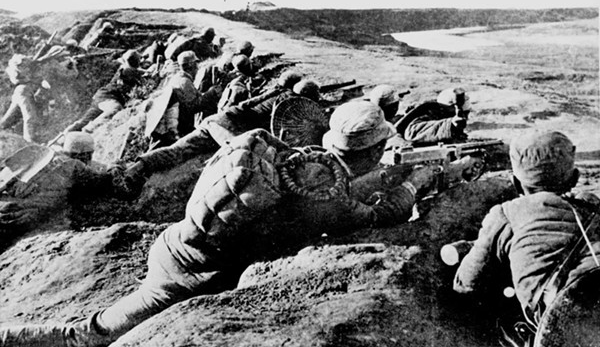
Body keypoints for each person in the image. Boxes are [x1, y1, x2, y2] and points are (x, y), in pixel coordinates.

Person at [0, 101, 441, 346]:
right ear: (375, 151)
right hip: (188, 277)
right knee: (87, 336)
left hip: (171, 243)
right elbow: (381, 215)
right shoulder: (327, 200)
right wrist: (416, 183)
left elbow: (319, 185)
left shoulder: (285, 154)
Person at [453, 130, 600, 344]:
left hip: (562, 329)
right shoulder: (593, 206)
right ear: (575, 178)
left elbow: (466, 284)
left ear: (515, 182)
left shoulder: (507, 214)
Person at [125, 71, 319, 185]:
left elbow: (249, 106)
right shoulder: (288, 102)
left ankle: (137, 167)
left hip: (215, 120)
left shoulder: (274, 92)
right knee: (243, 158)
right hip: (229, 127)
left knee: (177, 150)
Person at [0, 132, 114, 245]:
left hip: (9, 206)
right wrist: (114, 168)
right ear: (87, 154)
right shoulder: (75, 166)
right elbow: (103, 180)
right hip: (23, 216)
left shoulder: (44, 156)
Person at [62, 50, 145, 134]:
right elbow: (140, 74)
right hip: (108, 97)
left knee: (85, 120)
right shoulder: (127, 70)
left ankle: (66, 133)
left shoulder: (125, 68)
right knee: (115, 108)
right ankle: (89, 128)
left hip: (101, 96)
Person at [395, 87, 471, 145]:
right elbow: (411, 132)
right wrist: (450, 124)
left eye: (466, 113)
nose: (465, 118)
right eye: (464, 114)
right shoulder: (428, 114)